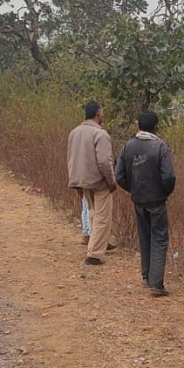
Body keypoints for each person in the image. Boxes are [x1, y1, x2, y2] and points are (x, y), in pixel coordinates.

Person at [116, 111, 176, 297]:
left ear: (139, 126)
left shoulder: (128, 146)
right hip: (156, 200)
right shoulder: (160, 147)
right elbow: (169, 177)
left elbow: (119, 176)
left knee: (144, 236)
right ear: (155, 126)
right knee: (159, 238)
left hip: (139, 200)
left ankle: (146, 276)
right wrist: (163, 192)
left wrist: (133, 189)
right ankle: (156, 283)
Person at [67, 100, 117, 266]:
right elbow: (104, 161)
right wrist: (111, 181)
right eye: (102, 112)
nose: (103, 115)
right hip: (99, 181)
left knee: (93, 212)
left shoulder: (74, 132)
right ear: (97, 113)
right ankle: (94, 254)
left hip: (82, 181)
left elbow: (70, 159)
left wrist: (75, 183)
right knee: (103, 217)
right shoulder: (100, 134)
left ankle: (100, 243)